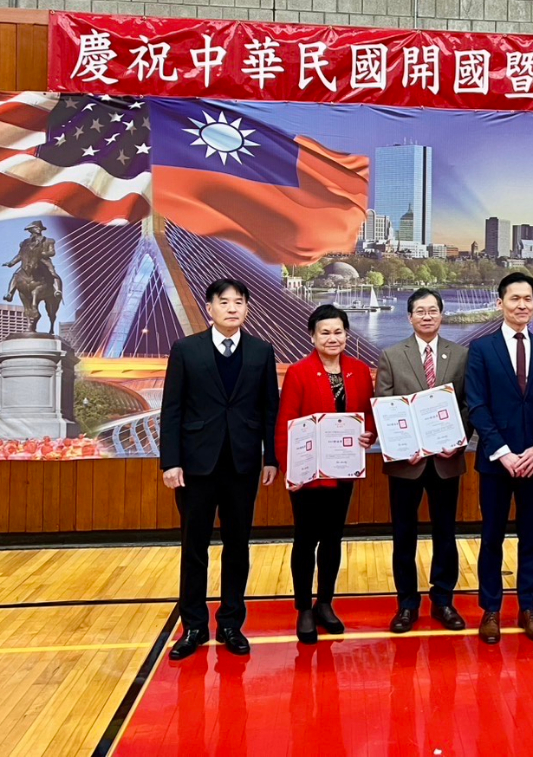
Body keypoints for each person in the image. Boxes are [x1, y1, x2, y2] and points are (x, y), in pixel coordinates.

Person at [159, 278, 279, 660]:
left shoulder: (261, 351)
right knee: (194, 547)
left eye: (239, 302)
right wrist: (170, 461)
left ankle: (230, 624)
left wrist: (271, 458)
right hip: (196, 465)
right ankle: (193, 626)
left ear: (247, 308)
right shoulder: (186, 350)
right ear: (209, 308)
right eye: (224, 302)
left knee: (237, 546)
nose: (232, 308)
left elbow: (269, 410)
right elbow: (172, 410)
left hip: (243, 464)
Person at [465, 272, 533, 645]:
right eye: (514, 298)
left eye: (528, 299)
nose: (522, 305)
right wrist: (503, 452)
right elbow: (476, 405)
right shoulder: (481, 348)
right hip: (496, 462)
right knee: (491, 537)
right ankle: (491, 610)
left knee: (531, 538)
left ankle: (529, 609)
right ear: (500, 303)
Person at [277, 304, 376, 644]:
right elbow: (285, 424)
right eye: (325, 332)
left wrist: (370, 434)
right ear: (313, 336)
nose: (332, 338)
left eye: (338, 332)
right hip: (307, 474)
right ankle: (304, 608)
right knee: (306, 539)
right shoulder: (299, 372)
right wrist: (290, 470)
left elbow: (369, 416)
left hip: (343, 470)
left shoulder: (359, 371)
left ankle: (325, 603)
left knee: (333, 538)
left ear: (346, 334)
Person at [374, 288, 471, 634]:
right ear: (410, 317)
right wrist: (403, 446)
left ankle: (443, 600)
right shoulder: (391, 356)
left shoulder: (460, 355)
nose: (427, 316)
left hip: (446, 460)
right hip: (406, 463)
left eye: (432, 310)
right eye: (420, 311)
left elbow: (467, 405)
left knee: (446, 533)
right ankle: (406, 604)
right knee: (404, 535)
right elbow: (384, 407)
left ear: (441, 315)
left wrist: (456, 441)